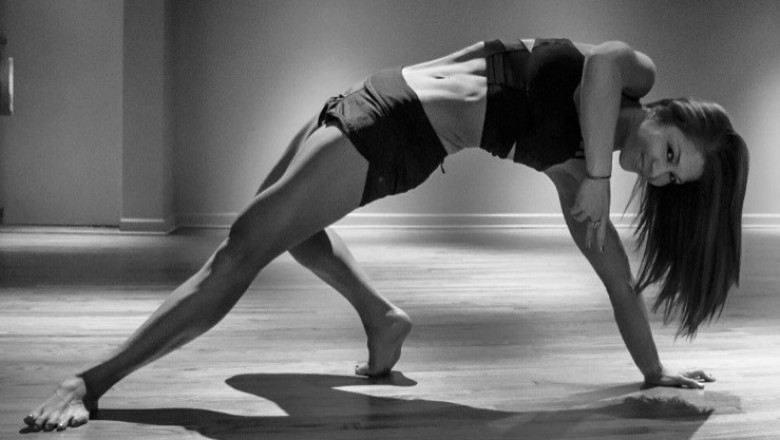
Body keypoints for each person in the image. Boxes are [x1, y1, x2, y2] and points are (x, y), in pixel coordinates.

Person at [24, 38, 749, 432]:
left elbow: (619, 283)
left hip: (397, 132)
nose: (656, 172)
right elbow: (600, 66)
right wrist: (599, 174)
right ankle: (380, 316)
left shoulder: (571, 178)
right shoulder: (627, 82)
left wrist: (654, 372)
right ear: (667, 114)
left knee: (240, 249)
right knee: (287, 228)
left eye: (670, 179)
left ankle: (90, 381)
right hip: (373, 94)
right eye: (670, 153)